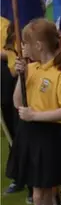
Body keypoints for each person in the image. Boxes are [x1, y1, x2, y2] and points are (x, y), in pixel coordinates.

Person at [7, 19, 61, 205]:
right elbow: (17, 101)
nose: (22, 48)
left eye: (25, 43)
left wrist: (36, 115)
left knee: (40, 194)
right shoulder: (31, 70)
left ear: (37, 44)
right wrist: (21, 77)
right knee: (42, 194)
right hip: (29, 135)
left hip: (48, 137)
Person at [1, 22, 23, 195]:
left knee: (18, 127)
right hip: (5, 81)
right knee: (9, 127)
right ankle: (17, 175)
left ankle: (24, 174)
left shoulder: (5, 21)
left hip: (10, 79)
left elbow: (10, 52)